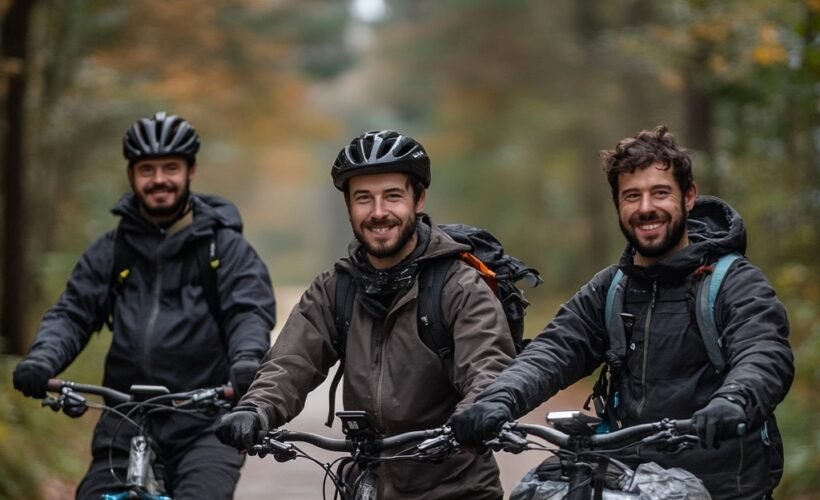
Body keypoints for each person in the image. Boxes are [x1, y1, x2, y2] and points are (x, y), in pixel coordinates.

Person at [450, 125, 794, 499]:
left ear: (689, 196)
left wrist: (734, 401)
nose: (646, 208)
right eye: (632, 196)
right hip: (633, 484)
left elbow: (764, 352)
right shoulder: (612, 287)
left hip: (723, 486)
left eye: (660, 193)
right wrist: (498, 400)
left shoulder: (732, 281)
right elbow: (554, 350)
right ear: (618, 204)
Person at [216, 129, 515, 499]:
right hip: (366, 482)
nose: (378, 213)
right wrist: (256, 410)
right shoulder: (334, 290)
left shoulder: (459, 286)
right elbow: (290, 363)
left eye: (392, 196)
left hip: (454, 487)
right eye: (363, 199)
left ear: (418, 199)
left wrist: (476, 417)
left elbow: (488, 368)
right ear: (349, 207)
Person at [12, 111, 276, 499]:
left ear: (191, 171)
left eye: (171, 168)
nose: (159, 180)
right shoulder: (112, 250)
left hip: (204, 421)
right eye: (146, 169)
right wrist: (42, 360)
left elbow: (248, 311)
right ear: (132, 174)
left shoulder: (225, 248)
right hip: (124, 417)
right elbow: (73, 313)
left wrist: (247, 362)